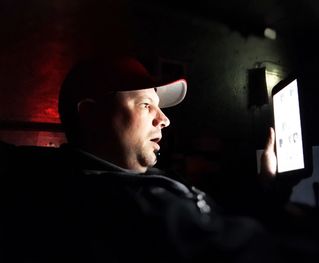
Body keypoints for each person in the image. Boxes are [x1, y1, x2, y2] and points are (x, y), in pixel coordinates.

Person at [1, 56, 298, 263]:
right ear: (92, 115)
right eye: (146, 105)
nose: (164, 120)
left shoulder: (142, 180)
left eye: (159, 107)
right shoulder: (113, 209)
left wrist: (267, 185)